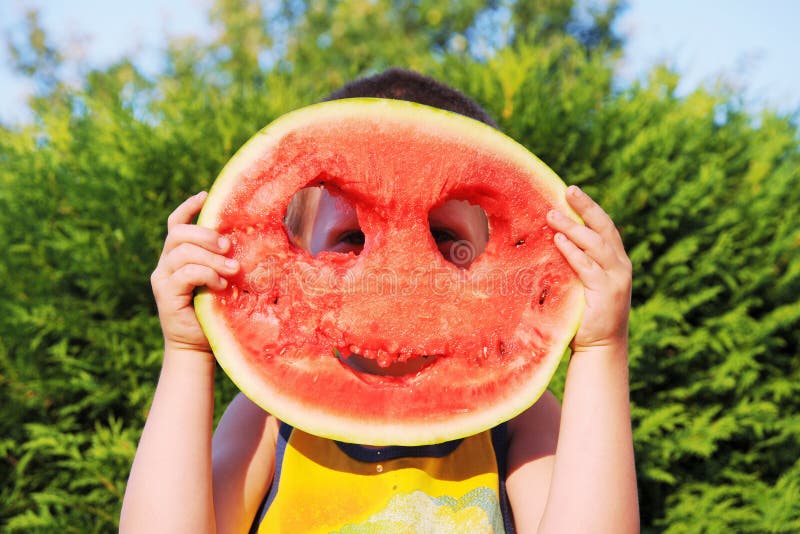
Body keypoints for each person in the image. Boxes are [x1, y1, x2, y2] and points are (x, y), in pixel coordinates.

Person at [120, 69, 639, 533]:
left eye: (443, 239)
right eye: (350, 240)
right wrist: (187, 356)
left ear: (497, 256)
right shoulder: (266, 420)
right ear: (292, 255)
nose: (401, 277)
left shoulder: (520, 421)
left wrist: (600, 350)